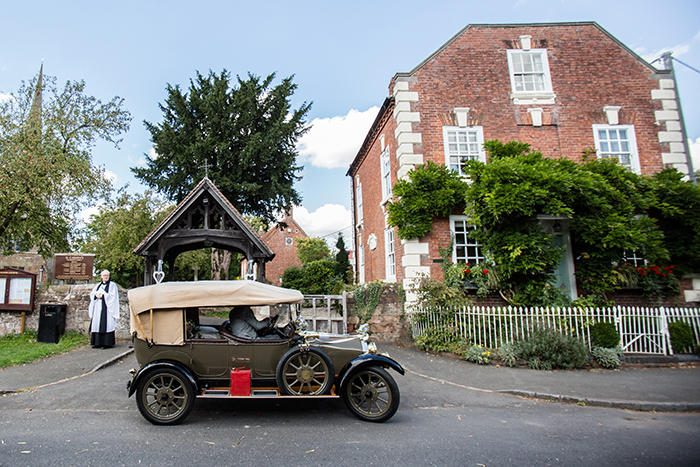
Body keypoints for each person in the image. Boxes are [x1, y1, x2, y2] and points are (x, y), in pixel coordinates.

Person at [88, 270, 119, 348]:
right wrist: (96, 295)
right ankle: (97, 343)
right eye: (104, 275)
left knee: (106, 324)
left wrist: (103, 296)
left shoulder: (112, 285)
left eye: (107, 275)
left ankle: (106, 343)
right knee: (97, 323)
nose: (106, 277)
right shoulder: (98, 285)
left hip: (107, 308)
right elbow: (92, 293)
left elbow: (113, 296)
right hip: (98, 307)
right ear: (101, 276)